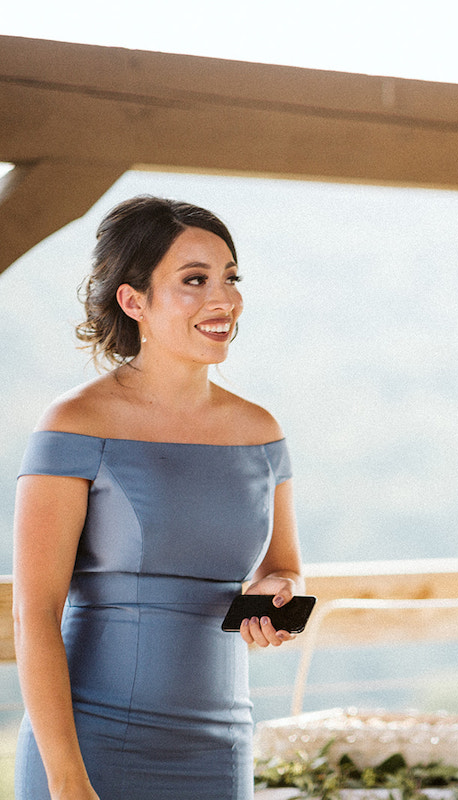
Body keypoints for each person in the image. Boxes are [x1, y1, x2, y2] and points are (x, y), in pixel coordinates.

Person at [12, 196, 304, 800]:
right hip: (88, 745)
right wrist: (68, 784)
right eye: (194, 281)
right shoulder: (74, 424)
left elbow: (283, 566)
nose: (223, 299)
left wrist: (277, 593)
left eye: (229, 278)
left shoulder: (261, 431)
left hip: (218, 749)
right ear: (133, 300)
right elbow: (34, 614)